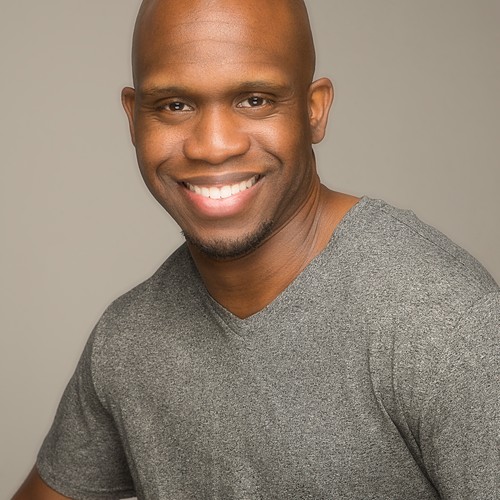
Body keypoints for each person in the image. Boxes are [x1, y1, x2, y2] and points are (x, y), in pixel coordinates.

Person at [14, 0, 499, 498]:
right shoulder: (127, 340)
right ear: (134, 118)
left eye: (254, 100)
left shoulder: (444, 326)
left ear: (314, 110)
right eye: (175, 105)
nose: (213, 145)